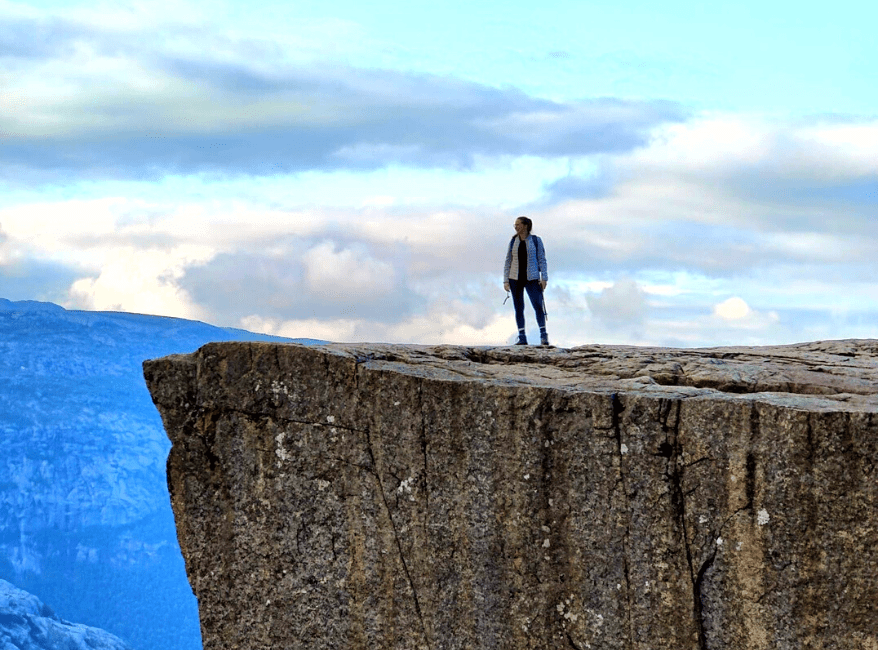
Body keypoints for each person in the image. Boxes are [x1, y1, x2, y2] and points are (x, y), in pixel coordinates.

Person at [503, 216, 549, 345]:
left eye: (518, 224)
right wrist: (505, 280)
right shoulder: (513, 241)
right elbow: (508, 260)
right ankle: (522, 336)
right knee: (518, 308)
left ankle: (543, 335)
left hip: (532, 278)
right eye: (515, 225)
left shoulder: (536, 240)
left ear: (525, 226)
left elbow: (542, 259)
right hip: (515, 278)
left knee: (538, 305)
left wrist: (544, 277)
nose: (516, 227)